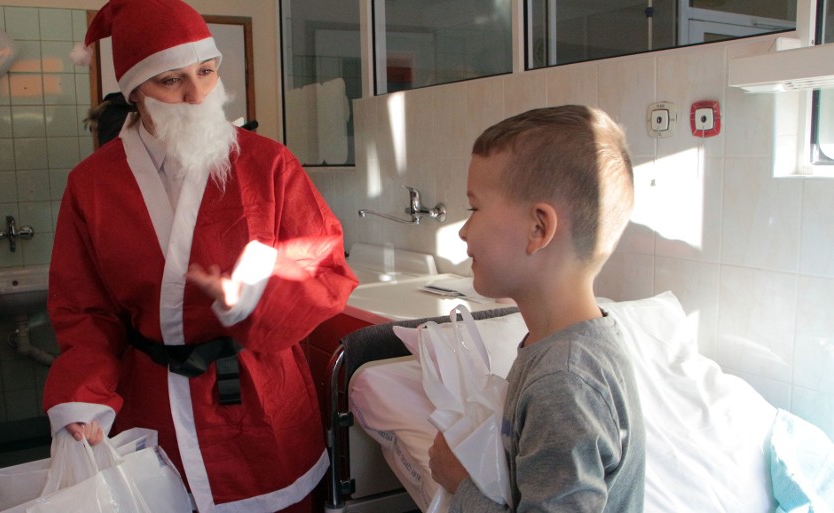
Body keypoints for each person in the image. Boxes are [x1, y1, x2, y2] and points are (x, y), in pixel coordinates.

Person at [42, 1, 358, 512]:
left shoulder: (268, 164)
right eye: (170, 81)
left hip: (262, 396)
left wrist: (256, 297)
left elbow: (326, 268)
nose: (197, 95)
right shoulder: (93, 185)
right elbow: (84, 311)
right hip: (152, 402)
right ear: (135, 91)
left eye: (206, 72)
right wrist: (83, 397)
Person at [428, 106, 645, 512]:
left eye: (474, 208)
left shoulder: (563, 381)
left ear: (538, 229)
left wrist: (461, 485)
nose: (462, 229)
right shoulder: (565, 346)